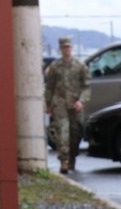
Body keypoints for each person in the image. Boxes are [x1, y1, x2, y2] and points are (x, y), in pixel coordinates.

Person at [45, 36, 91, 174]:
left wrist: (81, 101)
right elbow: (50, 87)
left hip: (75, 104)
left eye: (68, 47)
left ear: (72, 48)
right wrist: (48, 105)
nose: (66, 49)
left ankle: (72, 158)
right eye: (64, 47)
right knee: (62, 132)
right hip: (60, 103)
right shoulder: (55, 67)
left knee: (76, 134)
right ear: (60, 49)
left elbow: (86, 86)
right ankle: (63, 161)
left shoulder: (80, 66)